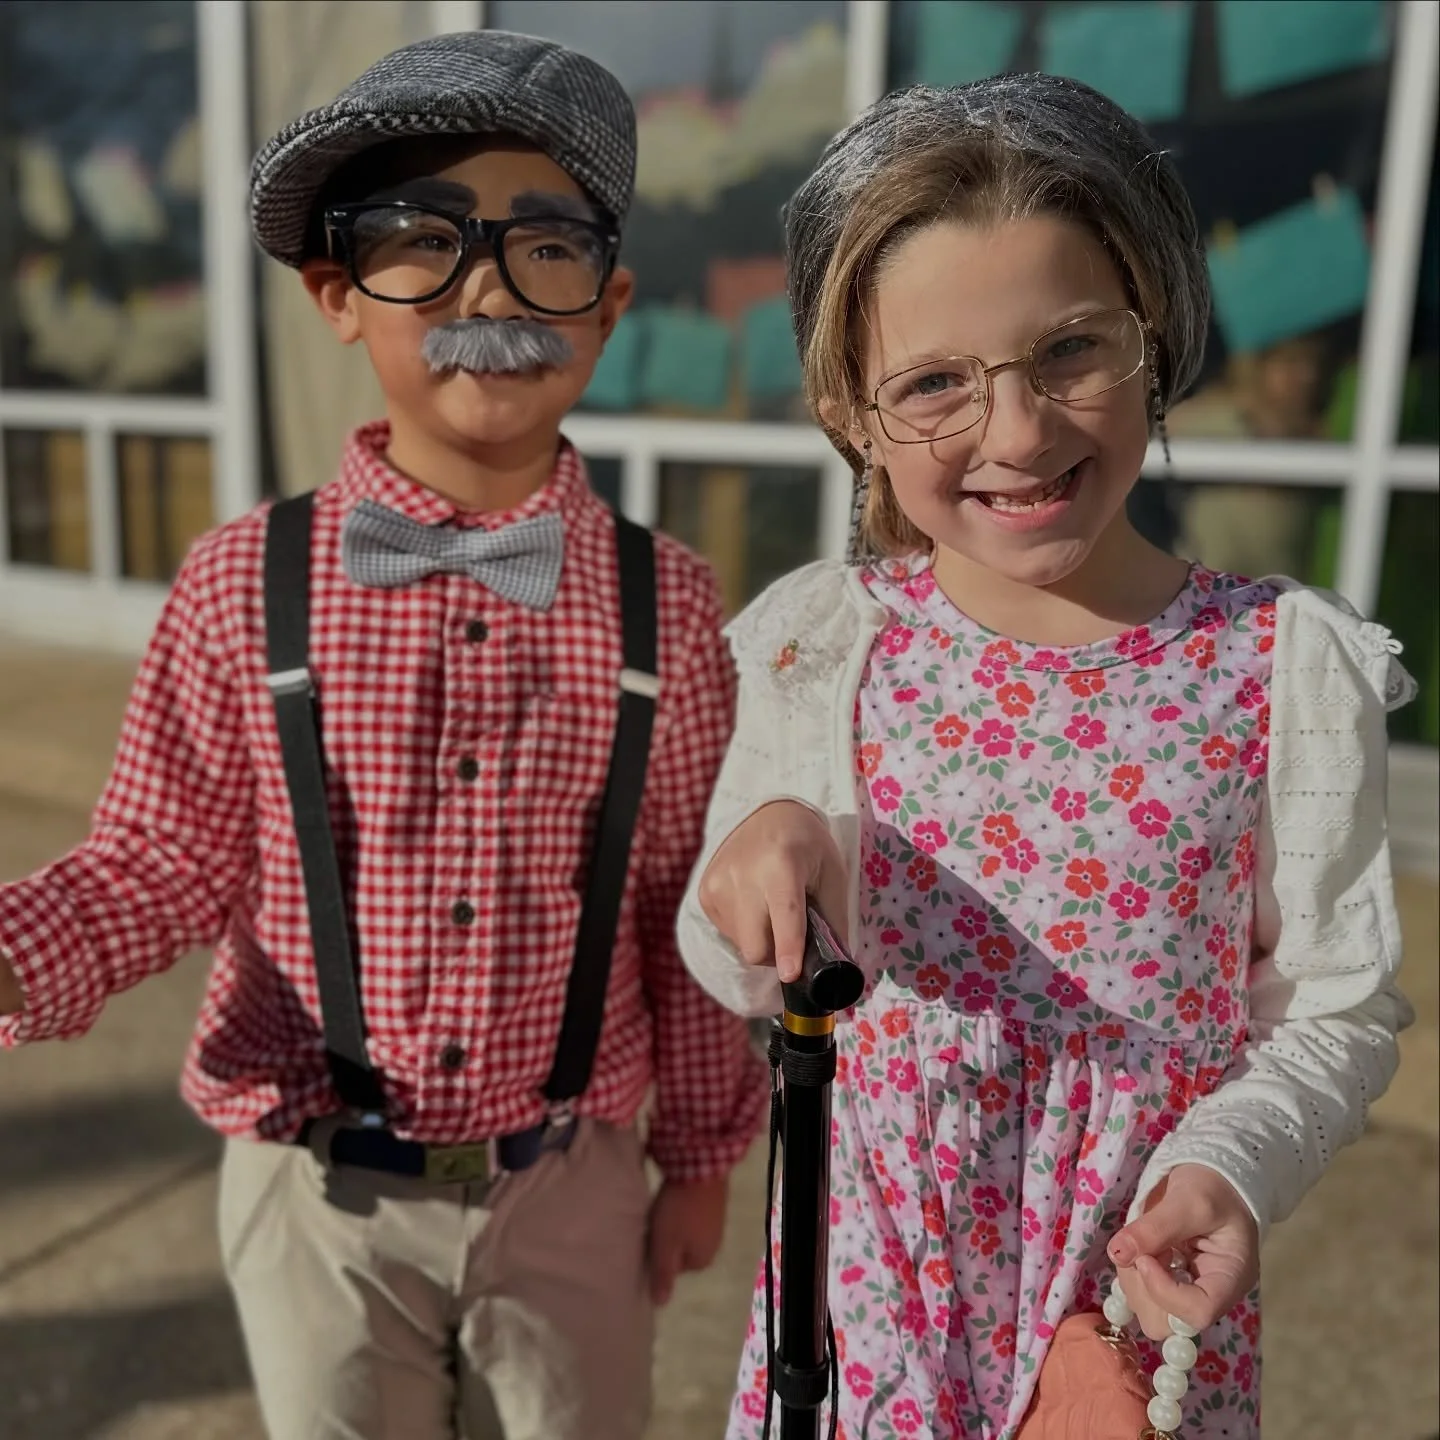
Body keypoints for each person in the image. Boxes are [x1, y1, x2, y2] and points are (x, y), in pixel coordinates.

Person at [0, 31, 767, 1440]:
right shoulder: (242, 581)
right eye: (426, 240)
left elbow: (680, 905)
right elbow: (161, 857)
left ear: (607, 306)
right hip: (314, 1192)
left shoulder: (670, 603)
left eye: (546, 247)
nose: (489, 289)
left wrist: (706, 1155)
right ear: (339, 293)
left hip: (572, 1182)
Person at [676, 75, 1416, 1439]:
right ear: (849, 409)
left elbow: (1335, 1007)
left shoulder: (1281, 665)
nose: (1017, 433)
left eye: (1071, 349)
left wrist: (1230, 1165)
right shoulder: (822, 642)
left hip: (1130, 1304)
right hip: (869, 1300)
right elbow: (729, 963)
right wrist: (766, 856)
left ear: (1155, 337)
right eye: (934, 384)